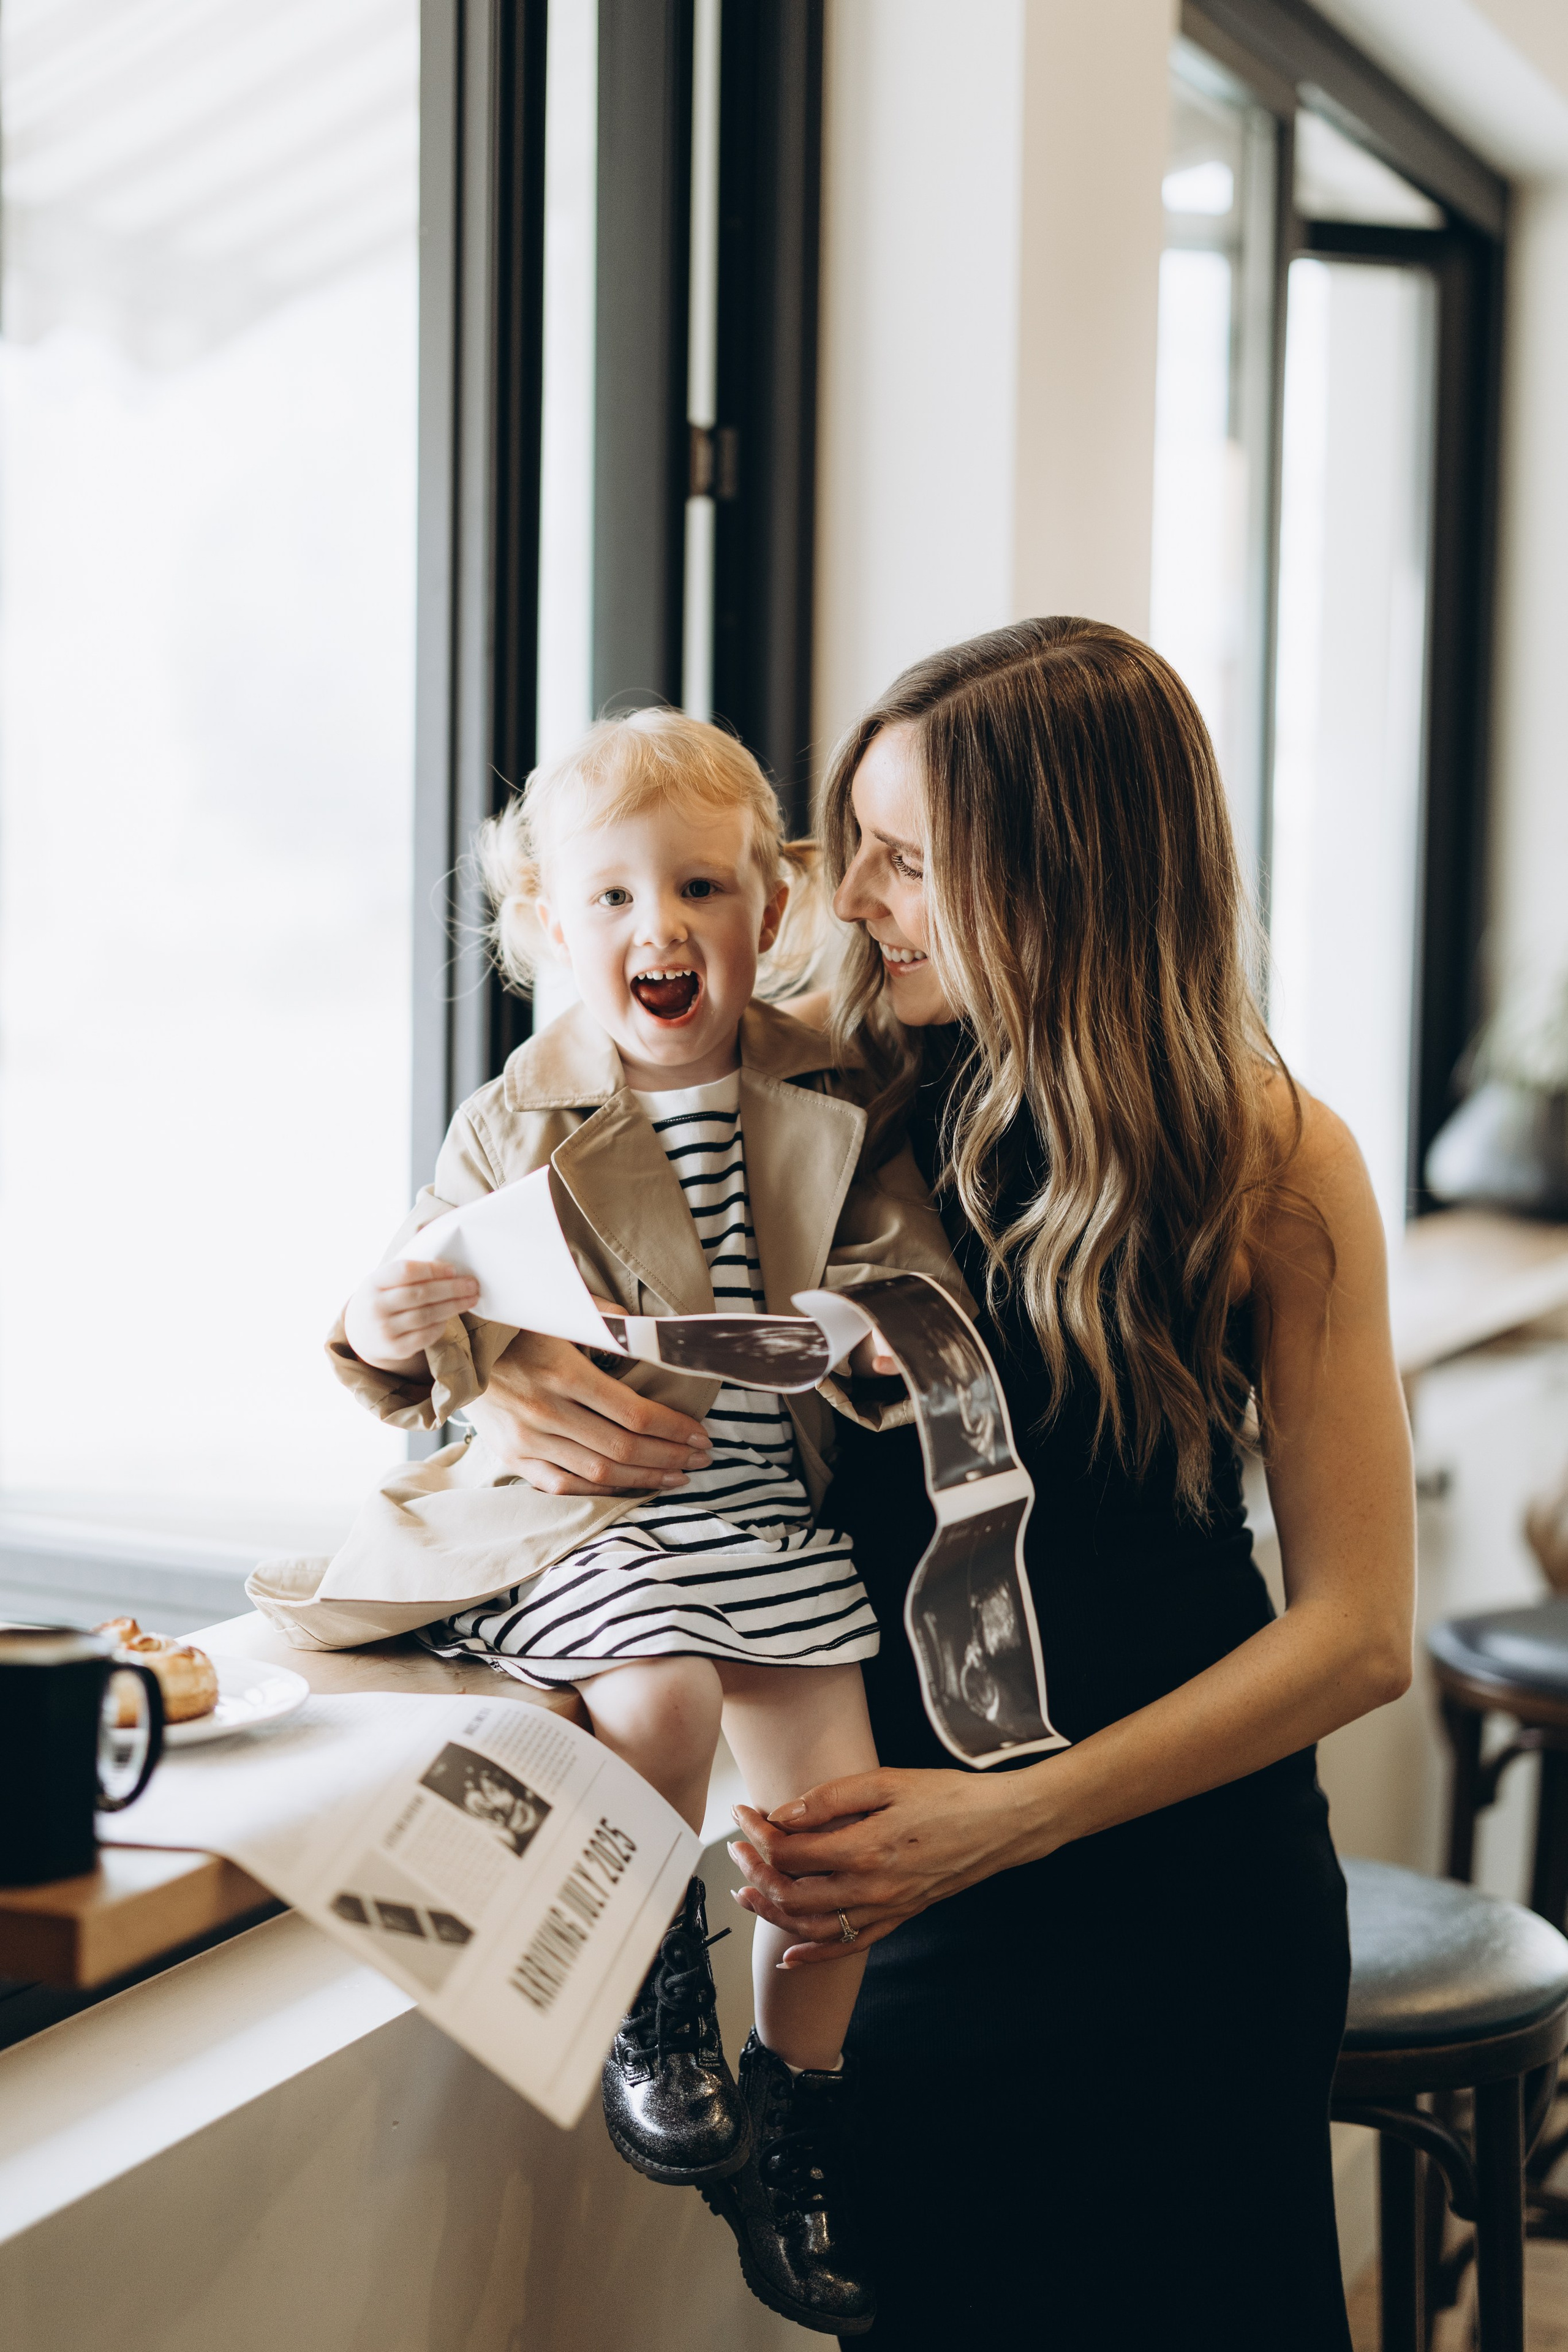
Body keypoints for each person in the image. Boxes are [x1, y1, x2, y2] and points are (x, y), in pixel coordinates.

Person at [486, 624, 1417, 2350]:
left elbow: (1361, 1638)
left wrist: (1017, 1815)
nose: (858, 901)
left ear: (1061, 873)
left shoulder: (1277, 1156)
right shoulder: (823, 1083)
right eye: (854, 848)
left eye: (909, 862)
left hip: (1183, 1908)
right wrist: (499, 1374)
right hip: (892, 1905)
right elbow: (506, 1202)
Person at [328, 708, 968, 2339]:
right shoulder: (515, 1117)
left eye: (699, 891)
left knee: (839, 1830)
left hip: (766, 1509)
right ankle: (650, 1995)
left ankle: (797, 2117)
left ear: (771, 915)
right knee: (668, 1696)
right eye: (611, 900)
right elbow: (416, 1321)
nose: (659, 930)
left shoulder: (834, 1086)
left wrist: (891, 1329)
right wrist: (404, 1326)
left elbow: (915, 1278)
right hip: (595, 1527)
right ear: (551, 924)